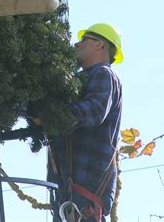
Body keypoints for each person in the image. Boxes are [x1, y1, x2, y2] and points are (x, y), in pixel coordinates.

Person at [47, 23, 124, 222]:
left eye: (83, 40)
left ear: (99, 44)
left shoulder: (103, 75)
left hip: (85, 195)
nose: (76, 44)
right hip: (70, 196)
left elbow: (94, 111)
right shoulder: (79, 80)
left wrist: (51, 114)